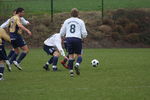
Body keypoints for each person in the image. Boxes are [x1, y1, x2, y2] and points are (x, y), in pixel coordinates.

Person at [60, 8, 88, 77]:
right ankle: (77, 64)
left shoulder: (67, 21)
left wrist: (63, 36)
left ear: (70, 14)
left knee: (70, 56)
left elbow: (61, 33)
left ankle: (71, 73)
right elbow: (84, 33)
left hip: (68, 39)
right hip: (77, 39)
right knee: (79, 55)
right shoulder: (80, 21)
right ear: (78, 14)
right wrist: (83, 37)